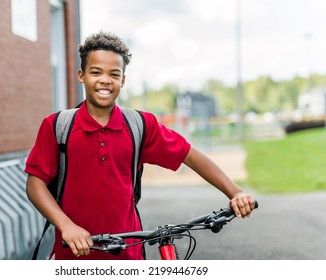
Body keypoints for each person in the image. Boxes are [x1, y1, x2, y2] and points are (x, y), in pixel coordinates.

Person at [25, 31, 256, 260]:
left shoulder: (140, 125)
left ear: (123, 80)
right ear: (81, 75)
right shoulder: (57, 126)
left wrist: (235, 192)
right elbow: (35, 185)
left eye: (114, 74)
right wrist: (66, 226)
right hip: (74, 256)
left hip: (129, 255)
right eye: (96, 72)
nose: (105, 80)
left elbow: (190, 156)